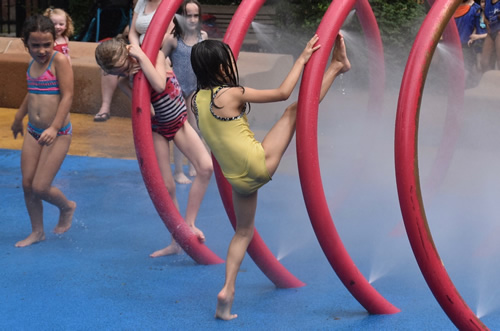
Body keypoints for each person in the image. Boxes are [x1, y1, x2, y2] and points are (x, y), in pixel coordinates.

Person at [191, 34, 351, 320]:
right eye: (227, 63)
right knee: (293, 111)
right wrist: (303, 58)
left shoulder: (197, 100)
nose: (231, 66)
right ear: (217, 69)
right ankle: (337, 67)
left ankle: (227, 291)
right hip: (259, 163)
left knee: (242, 233)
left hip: (236, 178)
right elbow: (283, 93)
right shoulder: (230, 93)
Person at [95, 38, 213, 257]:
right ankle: (175, 240)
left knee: (206, 168)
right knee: (167, 188)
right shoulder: (128, 79)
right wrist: (130, 82)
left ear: (127, 52)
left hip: (179, 124)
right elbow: (147, 111)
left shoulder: (154, 56)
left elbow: (159, 84)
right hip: (158, 130)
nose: (122, 71)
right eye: (115, 71)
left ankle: (189, 224)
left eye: (123, 65)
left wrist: (140, 56)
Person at [11, 15, 76, 247]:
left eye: (46, 44)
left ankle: (66, 207)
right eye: (35, 45)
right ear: (25, 43)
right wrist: (19, 117)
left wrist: (55, 127)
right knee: (28, 185)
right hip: (33, 130)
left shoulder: (59, 61)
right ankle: (37, 231)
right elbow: (33, 92)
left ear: (54, 41)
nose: (41, 50)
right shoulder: (31, 64)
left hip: (57, 133)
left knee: (41, 187)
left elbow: (68, 95)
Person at [94, 0, 173, 122]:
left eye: (124, 71)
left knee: (133, 71)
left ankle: (151, 106)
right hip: (139, 47)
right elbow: (132, 32)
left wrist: (144, 53)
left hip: (160, 48)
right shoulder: (141, 3)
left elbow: (169, 34)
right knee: (112, 61)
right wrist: (136, 49)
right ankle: (107, 106)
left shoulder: (167, 3)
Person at [162, 0, 208, 184]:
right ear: (180, 16)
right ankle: (178, 170)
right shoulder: (173, 39)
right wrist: (166, 66)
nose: (192, 19)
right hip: (176, 90)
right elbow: (160, 58)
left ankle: (193, 164)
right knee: (179, 130)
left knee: (195, 129)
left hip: (194, 89)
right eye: (188, 15)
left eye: (195, 15)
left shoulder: (202, 37)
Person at [454, 0, 482, 86]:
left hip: (468, 45)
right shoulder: (451, 9)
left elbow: (479, 27)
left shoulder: (476, 8)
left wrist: (474, 37)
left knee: (467, 68)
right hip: (454, 46)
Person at [468, 0, 488, 72]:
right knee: (479, 66)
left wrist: (478, 36)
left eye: (486, 2)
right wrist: (472, 38)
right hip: (479, 44)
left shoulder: (492, 15)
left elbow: (493, 32)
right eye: (482, 2)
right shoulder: (478, 14)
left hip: (488, 44)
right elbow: (476, 28)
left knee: (486, 65)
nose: (484, 4)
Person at [481, 0, 500, 71]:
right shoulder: (487, 1)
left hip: (498, 30)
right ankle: (489, 78)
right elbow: (485, 15)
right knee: (484, 62)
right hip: (491, 32)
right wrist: (485, 21)